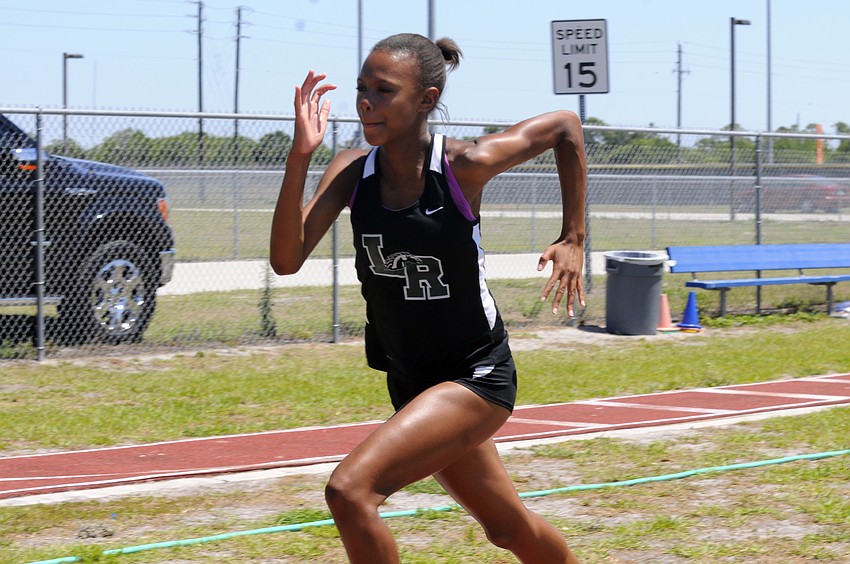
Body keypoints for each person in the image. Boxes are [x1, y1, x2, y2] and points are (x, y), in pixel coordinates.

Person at [270, 32, 585, 564]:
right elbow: (286, 258)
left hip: (474, 376)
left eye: (384, 90)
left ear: (426, 100)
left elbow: (565, 128)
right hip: (412, 382)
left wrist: (573, 236)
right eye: (362, 88)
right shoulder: (351, 172)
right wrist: (300, 156)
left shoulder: (465, 166)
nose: (366, 101)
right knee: (508, 529)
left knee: (350, 491)